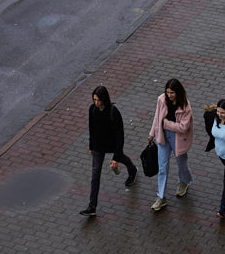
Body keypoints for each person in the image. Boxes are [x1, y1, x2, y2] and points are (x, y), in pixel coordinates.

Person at [81, 86, 137, 216]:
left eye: (98, 100)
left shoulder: (113, 112)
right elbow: (91, 129)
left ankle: (132, 170)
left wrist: (116, 156)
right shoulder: (92, 109)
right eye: (94, 99)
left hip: (112, 144)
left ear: (104, 99)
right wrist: (91, 146)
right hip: (98, 146)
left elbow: (120, 134)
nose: (96, 103)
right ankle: (92, 206)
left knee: (122, 157)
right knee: (95, 175)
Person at [148, 78, 193, 212]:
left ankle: (184, 181)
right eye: (167, 92)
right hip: (162, 135)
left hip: (178, 138)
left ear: (178, 92)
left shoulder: (186, 106)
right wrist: (152, 133)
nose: (169, 95)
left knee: (181, 162)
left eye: (172, 92)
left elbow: (183, 127)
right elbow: (157, 118)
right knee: (162, 167)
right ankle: (161, 197)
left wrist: (166, 124)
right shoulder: (161, 100)